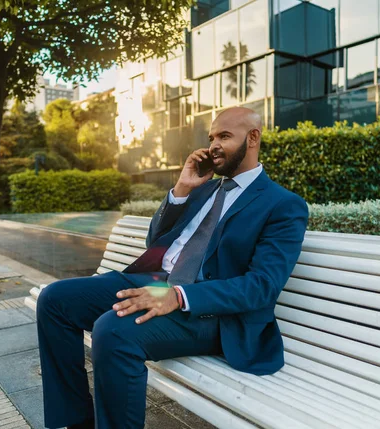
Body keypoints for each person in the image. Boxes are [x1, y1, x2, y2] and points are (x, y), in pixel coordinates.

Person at [37, 107, 309, 429]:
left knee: (113, 331)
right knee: (54, 300)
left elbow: (262, 286)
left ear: (252, 138)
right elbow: (156, 241)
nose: (213, 146)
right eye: (211, 138)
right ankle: (76, 422)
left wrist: (178, 296)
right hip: (156, 280)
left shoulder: (282, 204)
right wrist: (181, 189)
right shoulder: (203, 188)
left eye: (224, 136)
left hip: (210, 311)